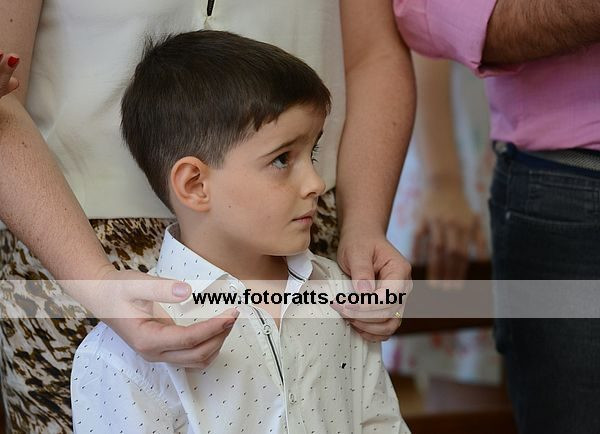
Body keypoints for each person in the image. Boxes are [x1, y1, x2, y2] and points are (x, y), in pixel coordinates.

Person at [0, 0, 414, 431]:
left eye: (313, 153)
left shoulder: (336, 297)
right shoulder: (114, 357)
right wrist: (96, 279)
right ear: (195, 184)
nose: (316, 182)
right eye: (283, 159)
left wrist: (364, 225)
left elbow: (379, 420)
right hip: (72, 243)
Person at [395, 0, 600, 432]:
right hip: (477, 151)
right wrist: (443, 180)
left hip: (503, 141)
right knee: (467, 361)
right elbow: (424, 45)